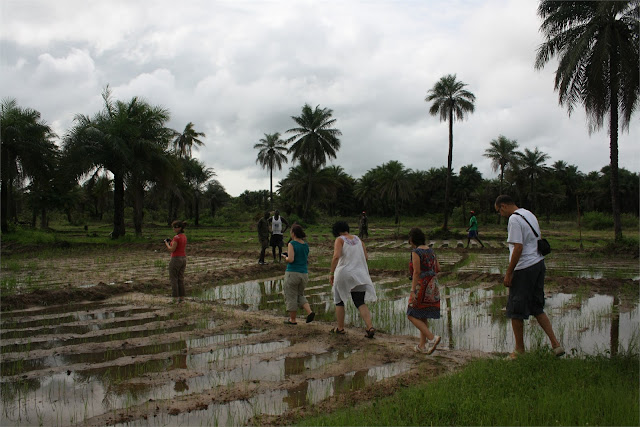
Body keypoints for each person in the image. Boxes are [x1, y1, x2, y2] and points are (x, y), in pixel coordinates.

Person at [495, 194, 564, 359]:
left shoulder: (514, 219)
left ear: (503, 206)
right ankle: (555, 344)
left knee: (515, 310)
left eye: (498, 211)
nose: (500, 215)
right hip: (538, 264)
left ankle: (519, 350)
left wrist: (509, 272)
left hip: (524, 268)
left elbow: (518, 248)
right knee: (536, 307)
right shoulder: (528, 214)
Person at [329, 221, 377, 338]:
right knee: (360, 301)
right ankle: (369, 327)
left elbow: (336, 256)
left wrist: (331, 273)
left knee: (339, 301)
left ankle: (340, 329)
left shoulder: (339, 240)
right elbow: (366, 257)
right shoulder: (359, 240)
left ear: (337, 231)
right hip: (360, 274)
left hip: (343, 273)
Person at [407, 227, 442, 354]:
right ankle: (422, 346)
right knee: (423, 314)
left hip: (422, 285)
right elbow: (438, 268)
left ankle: (432, 338)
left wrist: (413, 290)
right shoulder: (431, 251)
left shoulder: (416, 252)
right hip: (433, 285)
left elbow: (416, 272)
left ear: (412, 239)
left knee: (411, 314)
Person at [282, 224, 315, 325]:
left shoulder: (292, 243)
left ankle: (292, 319)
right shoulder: (305, 245)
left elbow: (291, 259)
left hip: (293, 273)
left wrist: (285, 257)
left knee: (291, 295)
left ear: (293, 233)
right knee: (300, 295)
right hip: (304, 274)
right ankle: (309, 312)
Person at [165, 220, 187, 302]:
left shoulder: (176, 237)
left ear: (180, 228)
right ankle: (182, 297)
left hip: (176, 259)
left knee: (173, 278)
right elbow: (178, 246)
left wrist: (167, 243)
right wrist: (171, 242)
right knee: (180, 278)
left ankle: (174, 298)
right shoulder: (184, 236)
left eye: (175, 227)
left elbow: (172, 249)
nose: (174, 229)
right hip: (183, 258)